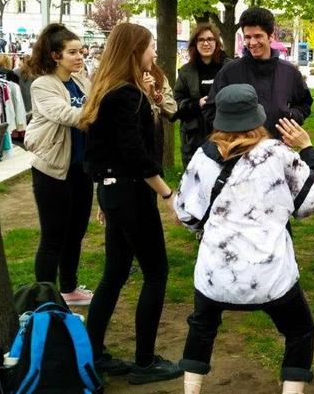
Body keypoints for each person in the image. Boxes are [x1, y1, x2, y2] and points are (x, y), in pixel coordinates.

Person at [174, 84, 314, 394]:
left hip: (215, 272)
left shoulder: (203, 157)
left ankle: (190, 391)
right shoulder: (276, 154)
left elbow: (186, 213)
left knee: (202, 326)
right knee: (300, 331)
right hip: (269, 273)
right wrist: (309, 149)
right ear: (256, 116)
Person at [81, 22, 182, 385]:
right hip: (131, 194)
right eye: (151, 47)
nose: (155, 53)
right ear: (135, 51)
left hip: (114, 192)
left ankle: (93, 354)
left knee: (115, 273)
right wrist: (167, 194)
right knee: (155, 273)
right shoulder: (126, 95)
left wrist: (104, 196)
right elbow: (136, 154)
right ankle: (145, 362)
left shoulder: (108, 90)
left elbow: (99, 153)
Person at [23, 24, 94, 306]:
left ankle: (68, 289)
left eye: (81, 51)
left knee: (76, 233)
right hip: (52, 171)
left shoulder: (81, 82)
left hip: (81, 169)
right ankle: (45, 298)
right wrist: (100, 111)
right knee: (53, 236)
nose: (80, 57)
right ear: (56, 56)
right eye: (72, 52)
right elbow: (68, 115)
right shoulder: (43, 85)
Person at [202, 7, 312, 139]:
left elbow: (305, 104)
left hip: (279, 146)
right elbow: (210, 109)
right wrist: (232, 132)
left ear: (271, 36)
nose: (252, 42)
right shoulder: (229, 72)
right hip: (240, 148)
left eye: (258, 36)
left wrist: (290, 117)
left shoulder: (290, 72)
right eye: (248, 37)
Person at [173, 23, 230, 167]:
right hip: (195, 136)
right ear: (195, 43)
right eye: (201, 40)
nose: (206, 43)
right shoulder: (186, 72)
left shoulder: (229, 67)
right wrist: (197, 104)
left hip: (225, 134)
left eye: (210, 39)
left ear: (216, 42)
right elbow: (177, 102)